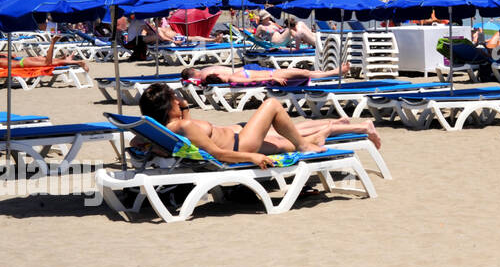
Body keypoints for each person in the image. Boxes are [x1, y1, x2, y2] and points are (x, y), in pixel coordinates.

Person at [138, 83, 380, 167]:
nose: (178, 100)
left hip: (238, 136)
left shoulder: (165, 129)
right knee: (273, 104)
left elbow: (191, 138)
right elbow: (217, 153)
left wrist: (184, 109)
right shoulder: (181, 128)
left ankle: (332, 132)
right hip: (241, 144)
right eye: (173, 98)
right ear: (167, 106)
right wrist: (250, 158)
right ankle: (308, 144)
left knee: (289, 139)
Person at [180, 61, 351, 87]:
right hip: (269, 74)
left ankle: (335, 72)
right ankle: (337, 72)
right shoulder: (231, 78)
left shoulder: (202, 76)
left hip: (268, 73)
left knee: (305, 73)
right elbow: (257, 78)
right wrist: (273, 77)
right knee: (305, 72)